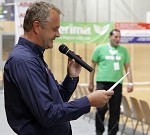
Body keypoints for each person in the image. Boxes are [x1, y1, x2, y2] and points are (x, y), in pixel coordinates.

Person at [3, 1, 114, 135]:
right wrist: (88, 101)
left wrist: (71, 77)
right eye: (54, 29)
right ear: (37, 27)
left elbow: (57, 101)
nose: (58, 34)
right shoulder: (24, 61)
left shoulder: (34, 57)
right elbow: (48, 114)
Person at [88, 29, 134, 135]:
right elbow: (92, 67)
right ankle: (99, 131)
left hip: (117, 84)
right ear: (110, 37)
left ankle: (112, 132)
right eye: (115, 37)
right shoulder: (99, 49)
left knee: (115, 110)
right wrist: (90, 82)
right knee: (100, 109)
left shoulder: (124, 51)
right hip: (102, 82)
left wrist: (130, 82)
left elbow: (128, 68)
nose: (118, 39)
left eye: (119, 37)